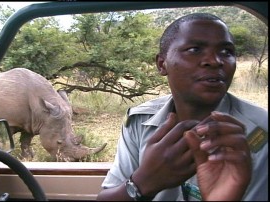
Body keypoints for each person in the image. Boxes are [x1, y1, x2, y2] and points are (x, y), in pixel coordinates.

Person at [97, 13, 268, 201]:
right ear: (162, 64)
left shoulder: (261, 131)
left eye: (226, 52)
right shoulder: (140, 121)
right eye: (195, 49)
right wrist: (145, 182)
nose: (215, 60)